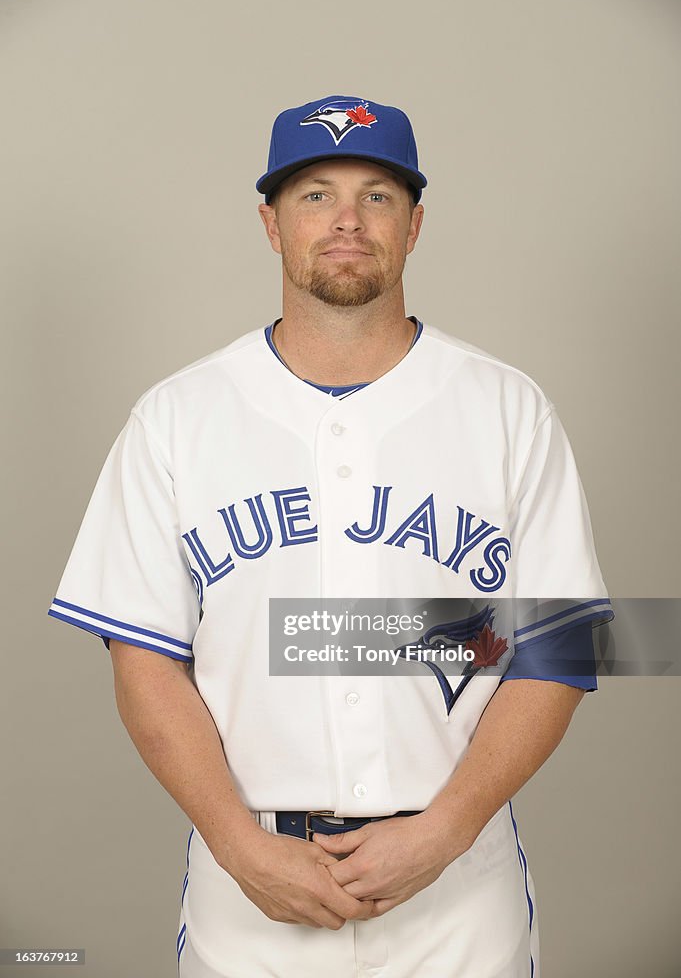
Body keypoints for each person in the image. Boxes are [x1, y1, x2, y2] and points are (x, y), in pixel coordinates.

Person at [48, 95, 613, 978]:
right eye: (315, 194)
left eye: (377, 195)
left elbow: (558, 646)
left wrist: (448, 829)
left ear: (415, 225)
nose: (347, 218)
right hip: (253, 888)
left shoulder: (506, 410)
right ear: (270, 224)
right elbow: (144, 660)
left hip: (455, 886)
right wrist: (238, 848)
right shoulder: (176, 419)